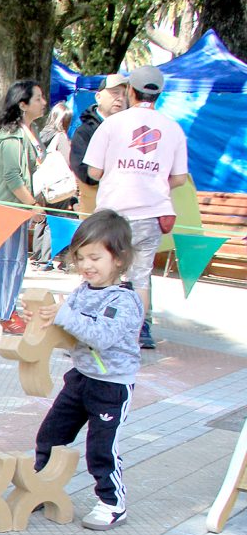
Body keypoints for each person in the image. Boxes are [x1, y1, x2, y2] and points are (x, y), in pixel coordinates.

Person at [27, 210, 143, 530]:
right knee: (51, 435)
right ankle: (42, 487)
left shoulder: (124, 300)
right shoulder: (82, 291)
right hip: (80, 378)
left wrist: (64, 315)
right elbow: (69, 331)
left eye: (95, 257)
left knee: (101, 448)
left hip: (111, 386)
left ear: (118, 258)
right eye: (80, 258)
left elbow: (100, 336)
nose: (86, 265)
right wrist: (44, 321)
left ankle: (112, 503)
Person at [84, 65, 188, 349]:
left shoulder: (112, 124)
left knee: (104, 273)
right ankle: (134, 337)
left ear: (131, 90)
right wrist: (154, 181)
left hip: (113, 214)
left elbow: (93, 171)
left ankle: (98, 336)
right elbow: (180, 177)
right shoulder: (173, 129)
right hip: (152, 214)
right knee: (141, 278)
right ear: (159, 94)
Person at [0, 80, 46, 333]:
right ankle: (1, 312)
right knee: (6, 261)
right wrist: (33, 205)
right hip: (8, 211)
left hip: (16, 211)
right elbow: (13, 178)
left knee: (8, 261)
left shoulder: (27, 133)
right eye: (38, 98)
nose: (44, 102)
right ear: (22, 105)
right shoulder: (12, 137)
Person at [70, 74, 128, 216]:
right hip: (95, 212)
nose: (120, 98)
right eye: (115, 93)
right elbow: (83, 171)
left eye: (125, 94)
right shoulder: (85, 132)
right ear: (98, 97)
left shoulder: (132, 131)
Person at [32, 102, 74, 271]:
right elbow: (68, 161)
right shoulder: (60, 137)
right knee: (55, 220)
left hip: (42, 185)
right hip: (57, 186)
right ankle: (46, 259)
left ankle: (36, 256)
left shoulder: (42, 134)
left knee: (42, 219)